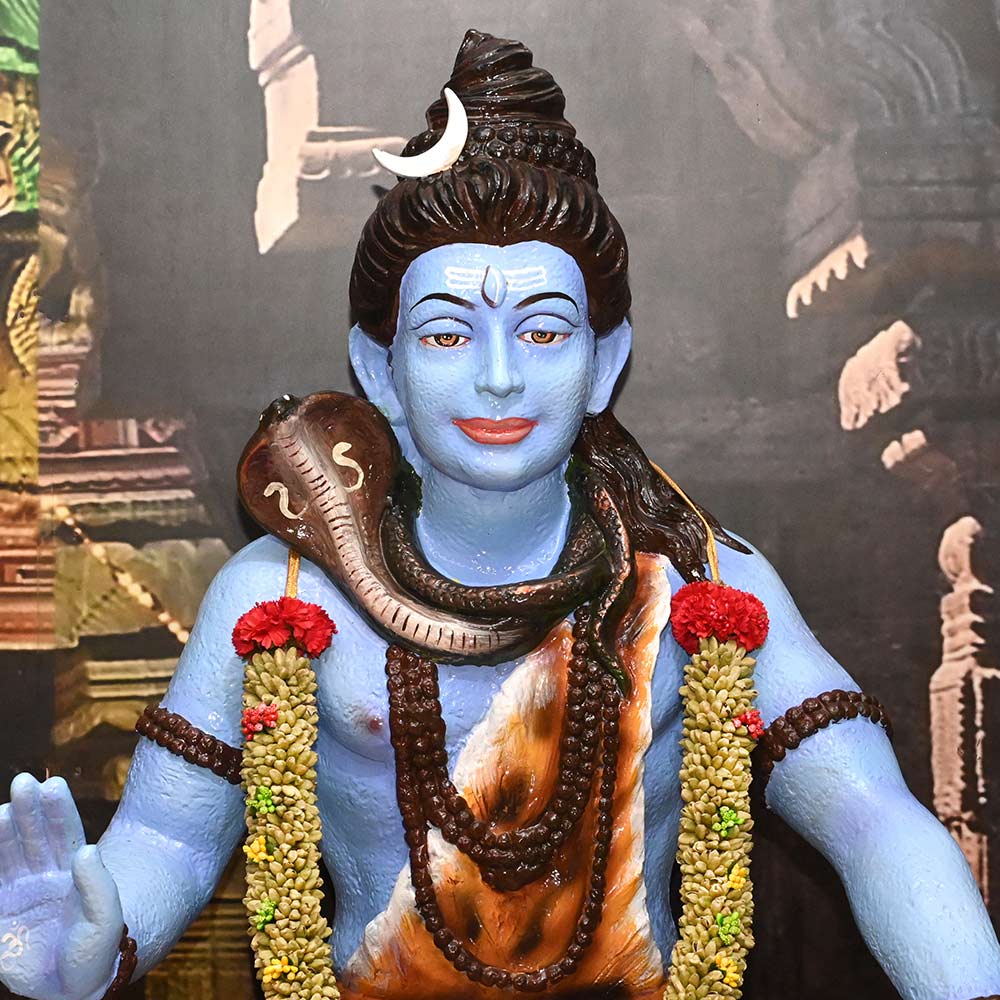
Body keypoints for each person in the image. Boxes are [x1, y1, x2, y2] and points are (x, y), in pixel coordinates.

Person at [2, 29, 999, 1000]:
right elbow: (172, 835)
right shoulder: (283, 596)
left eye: (544, 330)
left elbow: (872, 821)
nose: (498, 377)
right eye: (446, 334)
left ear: (605, 362)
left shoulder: (701, 585)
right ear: (378, 368)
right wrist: (84, 951)